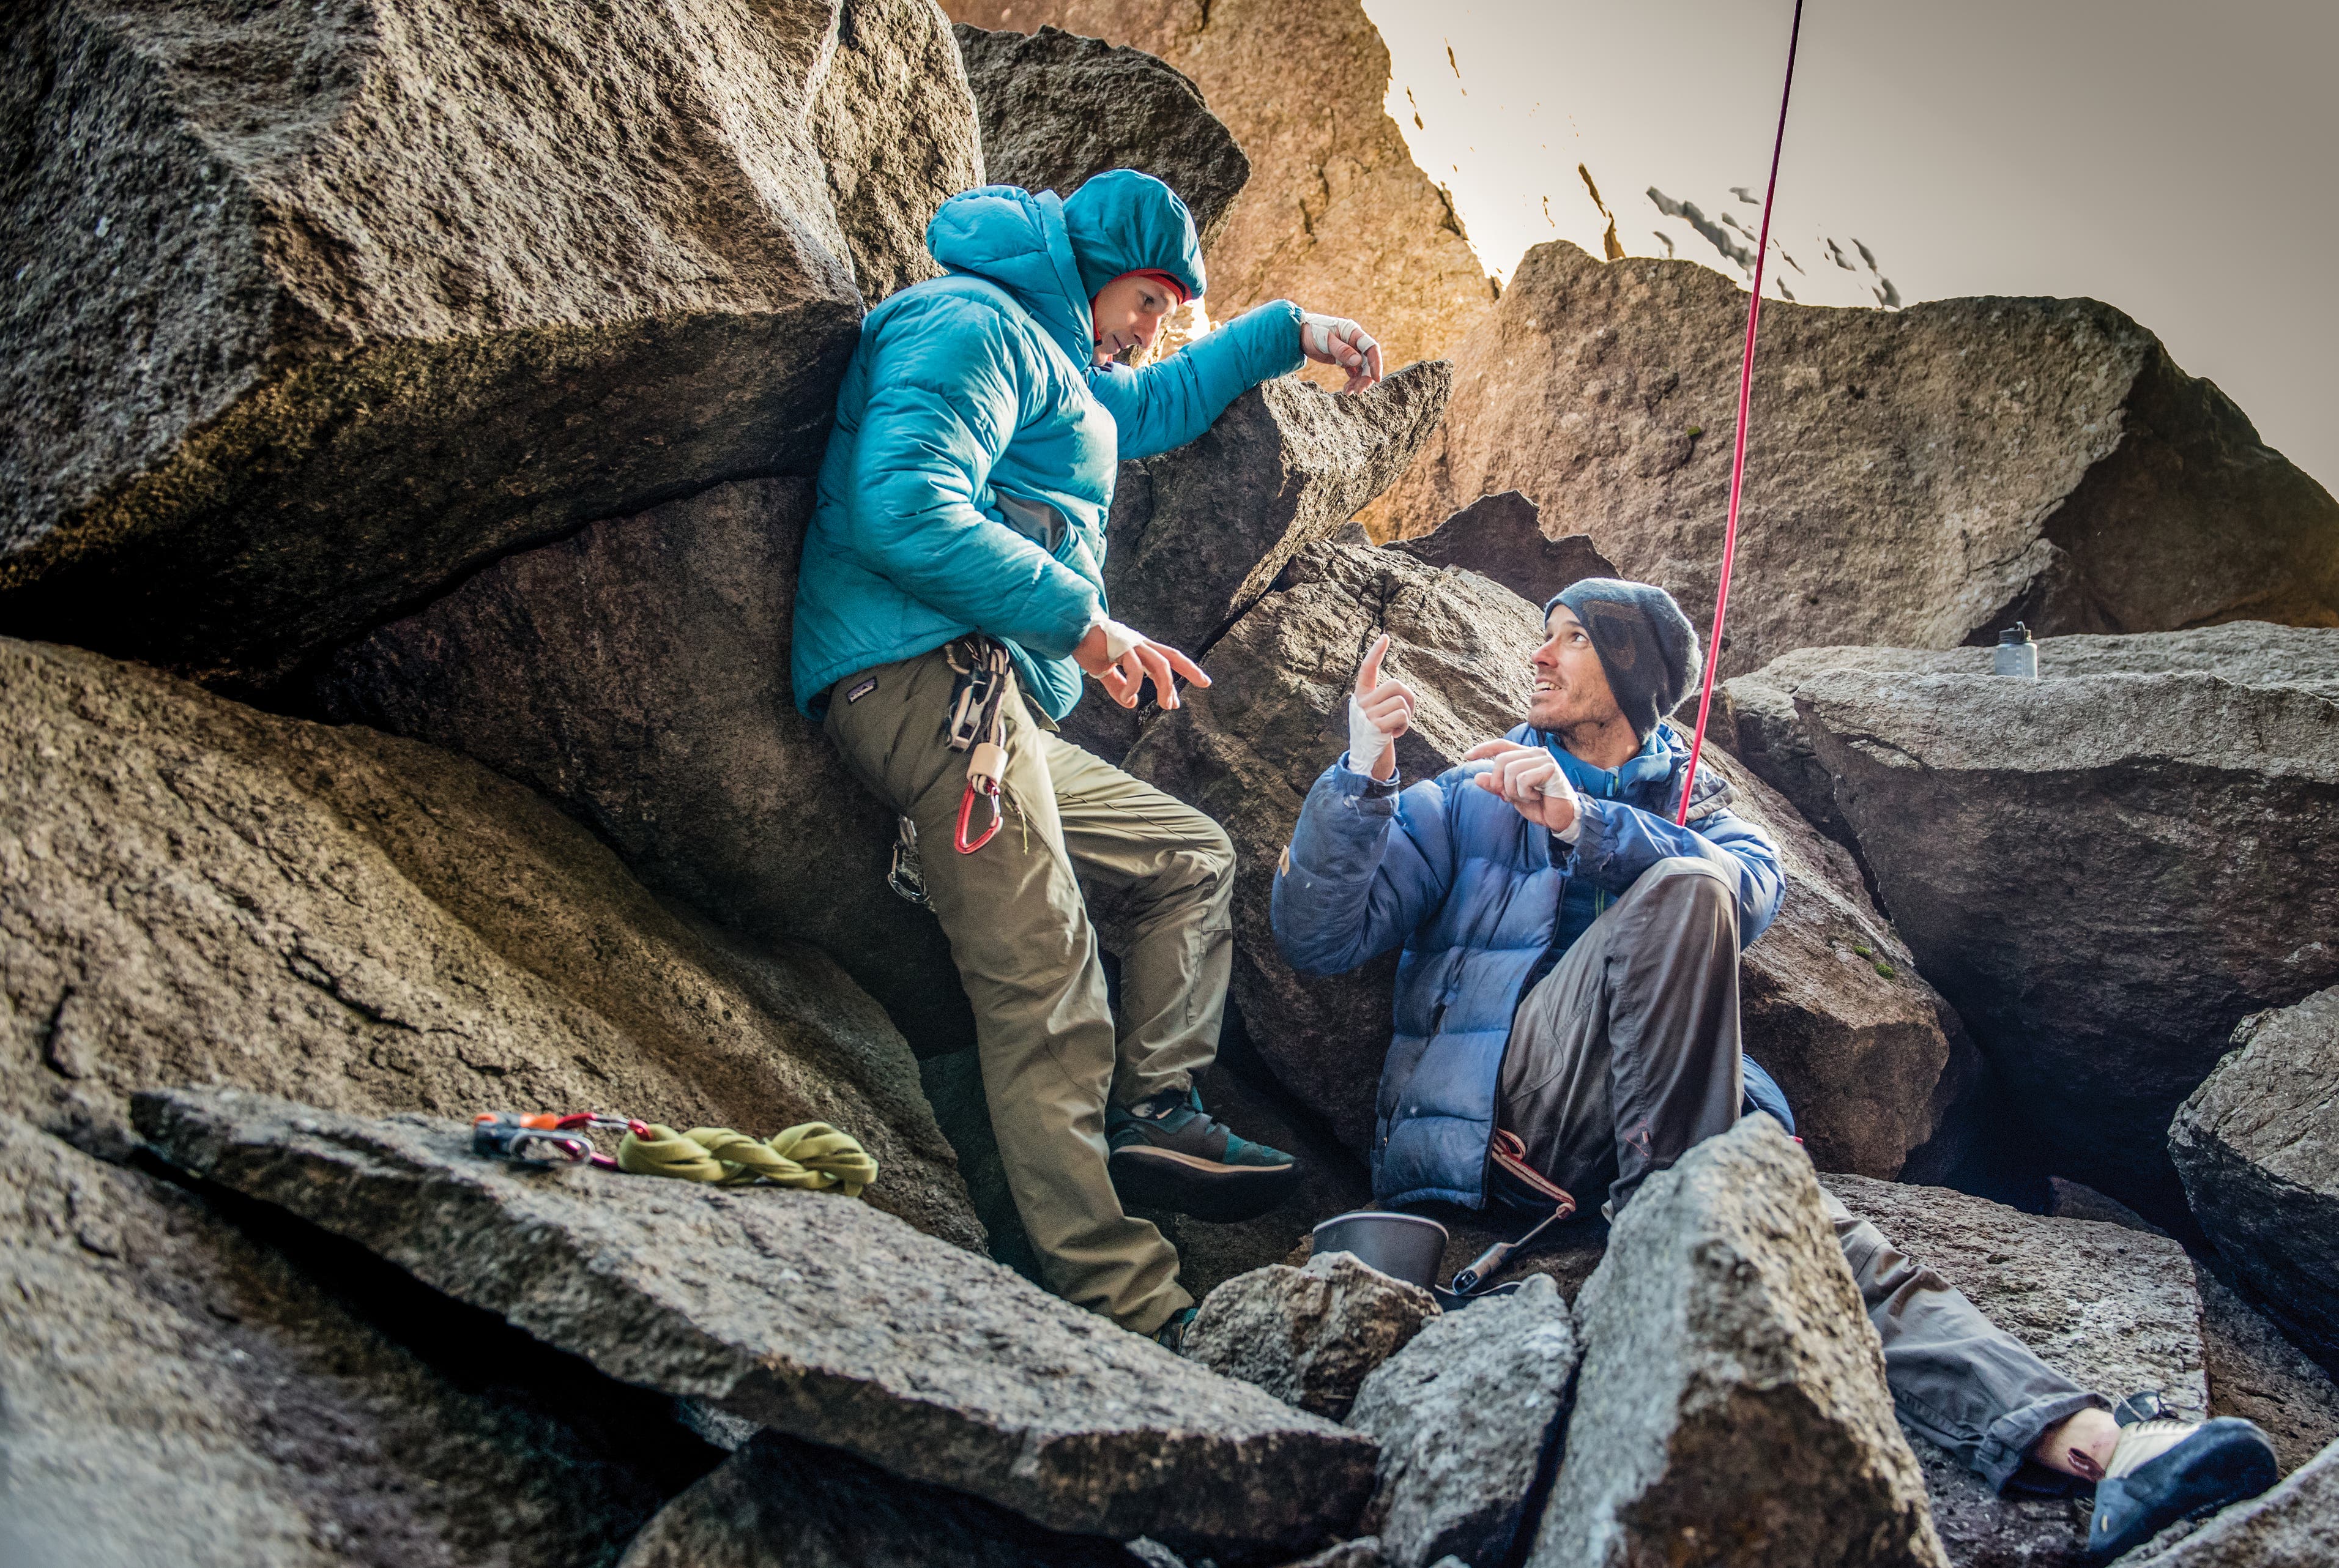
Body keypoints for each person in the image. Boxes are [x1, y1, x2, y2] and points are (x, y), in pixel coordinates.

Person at [1270, 578, 2280, 1558]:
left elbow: (1737, 890)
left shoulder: (1716, 816)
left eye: (1571, 636)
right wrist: (1362, 772)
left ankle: (2101, 1449)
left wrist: (1582, 820)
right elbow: (1316, 936)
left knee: (1819, 1232)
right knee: (1699, 994)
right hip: (1507, 1123)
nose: (1538, 654)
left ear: (1632, 670)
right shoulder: (1464, 798)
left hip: (1655, 1138)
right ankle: (1680, 1201)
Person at [790, 170, 1385, 1342]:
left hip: (993, 701)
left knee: (1188, 856)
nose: (1154, 329)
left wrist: (1287, 335)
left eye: (1171, 311)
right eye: (1151, 301)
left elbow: (1145, 412)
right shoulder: (968, 322)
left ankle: (1156, 1109)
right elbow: (902, 504)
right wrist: (1089, 623)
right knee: (1049, 983)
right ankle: (1131, 1308)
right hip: (925, 679)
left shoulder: (1060, 360)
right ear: (1098, 264)